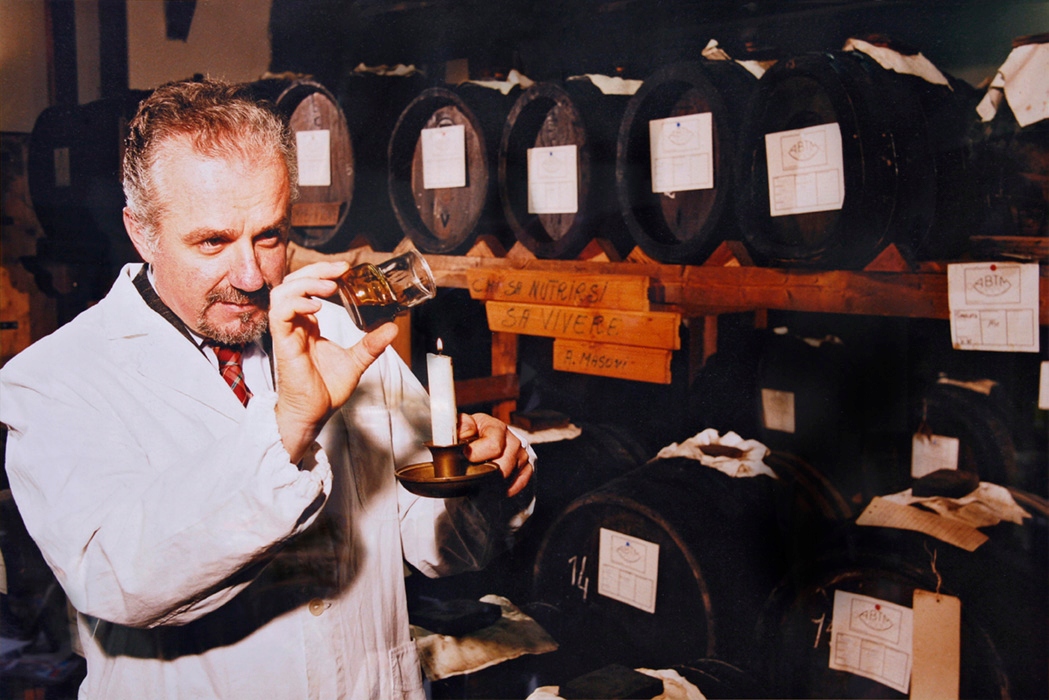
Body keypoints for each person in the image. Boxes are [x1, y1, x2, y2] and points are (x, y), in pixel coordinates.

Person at [0, 78, 534, 699]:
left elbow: (441, 548)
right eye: (213, 242)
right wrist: (289, 428)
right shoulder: (54, 380)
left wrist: (482, 477)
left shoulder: (339, 335)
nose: (252, 275)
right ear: (141, 232)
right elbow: (117, 579)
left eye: (271, 235)